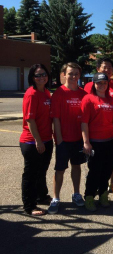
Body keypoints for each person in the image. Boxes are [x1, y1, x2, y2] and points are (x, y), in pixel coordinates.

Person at [48, 63, 87, 214]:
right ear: (63, 74)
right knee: (60, 169)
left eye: (76, 74)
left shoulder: (83, 94)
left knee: (77, 167)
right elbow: (55, 118)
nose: (73, 76)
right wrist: (59, 139)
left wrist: (84, 139)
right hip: (63, 139)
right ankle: (56, 198)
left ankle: (76, 194)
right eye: (70, 73)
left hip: (78, 139)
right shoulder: (59, 93)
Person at [84, 58, 113, 195]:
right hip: (95, 137)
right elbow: (85, 119)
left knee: (111, 164)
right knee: (95, 168)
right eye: (104, 67)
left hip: (112, 134)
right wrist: (86, 141)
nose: (107, 70)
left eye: (109, 67)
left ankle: (108, 187)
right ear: (98, 69)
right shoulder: (89, 92)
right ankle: (90, 194)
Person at [81, 72, 113, 211]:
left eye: (104, 83)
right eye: (99, 83)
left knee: (107, 170)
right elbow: (84, 122)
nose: (102, 85)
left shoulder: (112, 101)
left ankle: (103, 194)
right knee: (94, 171)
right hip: (94, 142)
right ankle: (89, 197)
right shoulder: (88, 99)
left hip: (109, 141)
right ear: (94, 84)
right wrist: (86, 142)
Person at [20, 64, 53, 216]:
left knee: (42, 171)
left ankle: (41, 196)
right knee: (31, 174)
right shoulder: (31, 94)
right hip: (32, 141)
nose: (41, 78)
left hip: (47, 139)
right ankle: (29, 206)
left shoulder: (46, 92)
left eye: (43, 74)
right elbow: (30, 120)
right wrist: (38, 141)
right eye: (38, 75)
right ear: (32, 78)